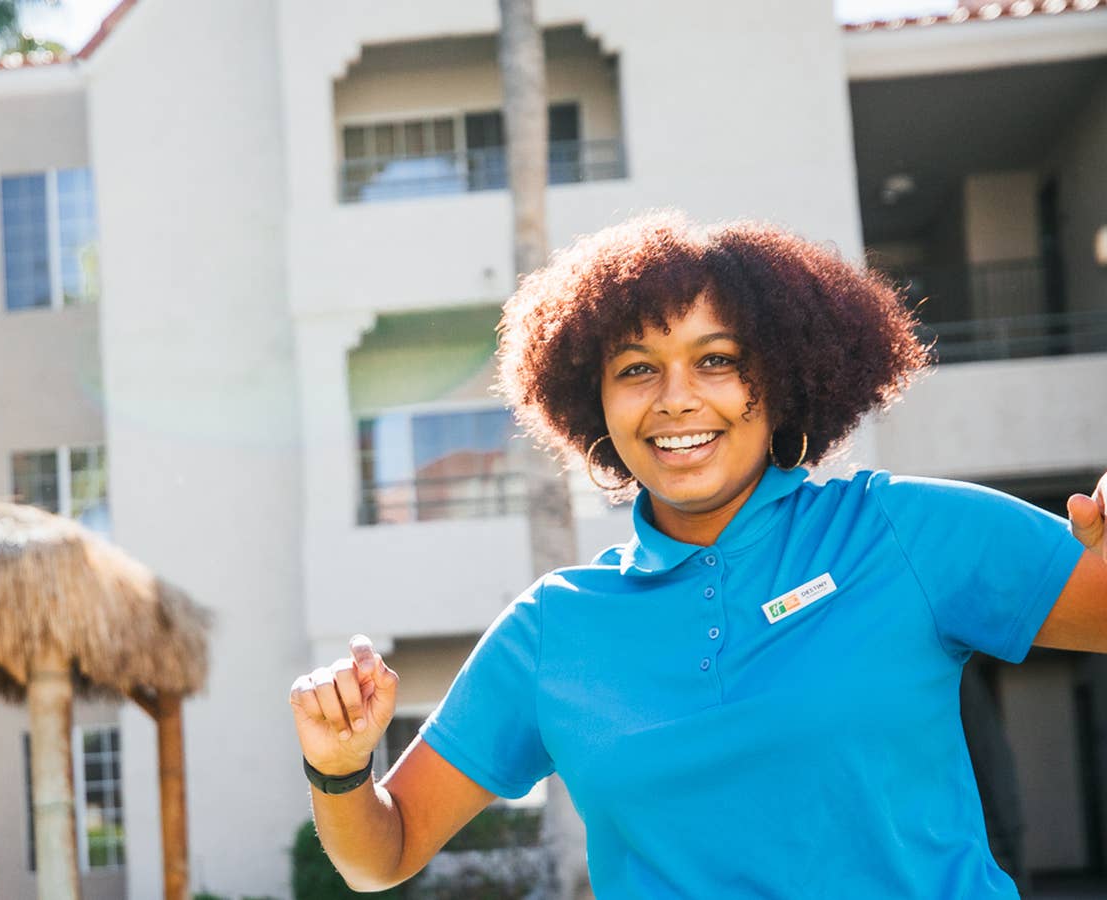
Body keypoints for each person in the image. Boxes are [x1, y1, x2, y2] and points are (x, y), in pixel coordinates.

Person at [288, 213, 1107, 897]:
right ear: (593, 404)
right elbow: (382, 853)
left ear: (781, 379)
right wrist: (339, 770)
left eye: (717, 360)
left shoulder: (900, 530)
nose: (676, 397)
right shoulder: (552, 630)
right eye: (637, 368)